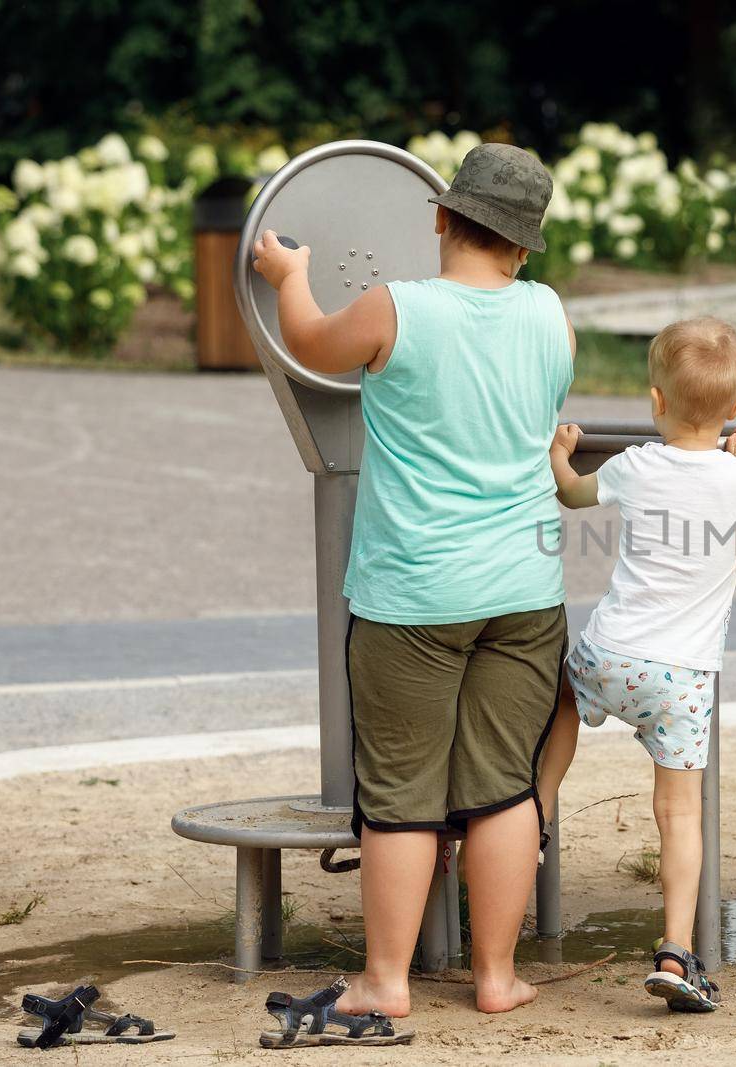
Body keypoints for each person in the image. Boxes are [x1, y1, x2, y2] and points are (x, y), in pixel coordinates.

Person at [250, 142, 574, 1019]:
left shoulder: (397, 307)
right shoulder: (551, 315)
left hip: (415, 596)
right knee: (505, 783)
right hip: (525, 589)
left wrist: (290, 271)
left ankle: (387, 980)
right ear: (526, 241)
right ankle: (497, 977)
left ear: (439, 214)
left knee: (398, 792)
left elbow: (311, 340)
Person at [540, 316, 736, 1012]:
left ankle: (538, 807)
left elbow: (571, 492)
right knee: (679, 813)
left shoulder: (634, 463)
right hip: (682, 677)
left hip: (611, 651)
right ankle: (676, 948)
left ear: (655, 401)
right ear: (735, 408)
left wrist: (562, 450)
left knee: (564, 701)